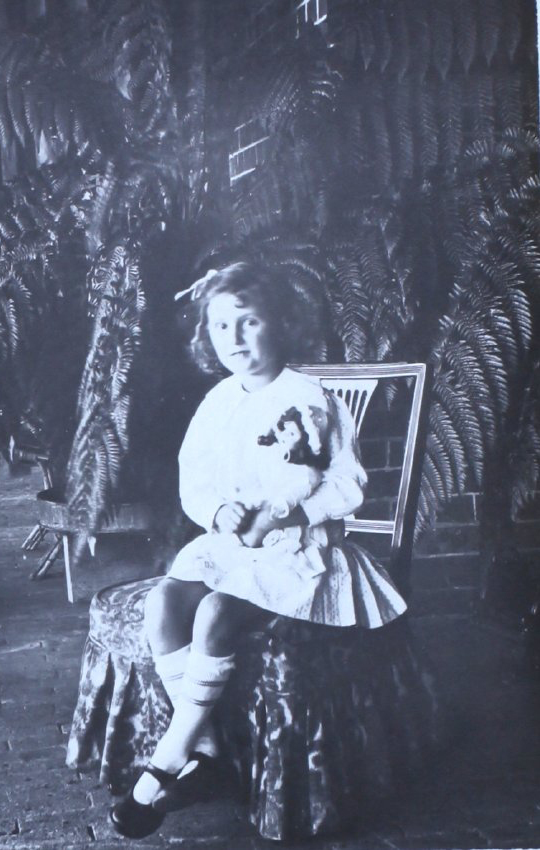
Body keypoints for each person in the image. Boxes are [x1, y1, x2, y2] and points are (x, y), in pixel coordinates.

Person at [109, 261, 408, 839]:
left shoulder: (308, 396)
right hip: (232, 546)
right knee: (165, 605)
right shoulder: (218, 402)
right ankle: (212, 755)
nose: (236, 339)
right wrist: (218, 511)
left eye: (249, 323)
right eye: (222, 327)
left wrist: (290, 513)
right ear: (207, 336)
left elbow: (347, 483)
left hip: (299, 551)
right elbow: (193, 479)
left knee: (217, 612)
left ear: (282, 324)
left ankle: (166, 760)